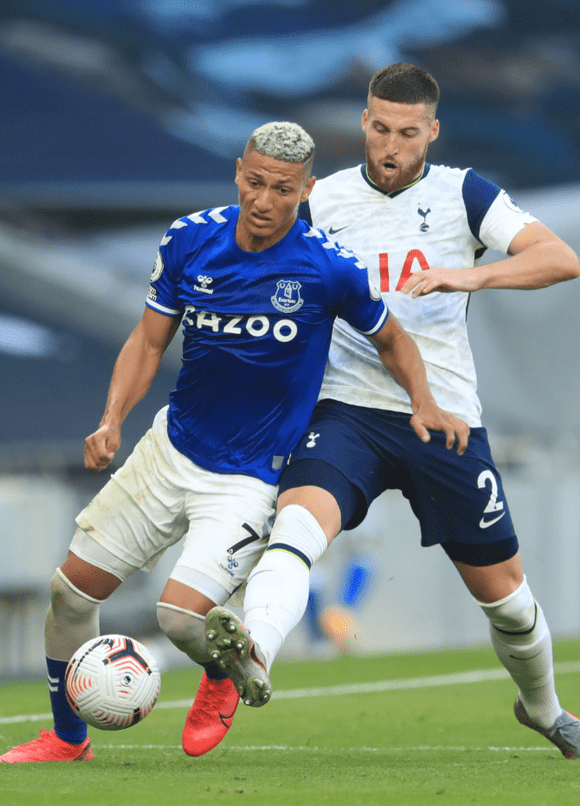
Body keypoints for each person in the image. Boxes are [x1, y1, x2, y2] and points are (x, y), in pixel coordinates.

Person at [0, 120, 469, 764]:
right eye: (253, 182)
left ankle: (222, 673)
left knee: (177, 618)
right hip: (169, 450)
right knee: (68, 595)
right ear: (238, 174)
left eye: (281, 188)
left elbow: (393, 339)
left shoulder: (328, 268)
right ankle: (67, 737)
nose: (262, 200)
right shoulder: (190, 239)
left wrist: (422, 401)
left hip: (249, 477)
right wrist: (111, 419)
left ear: (304, 191)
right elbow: (147, 341)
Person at [205, 64, 580, 761]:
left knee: (509, 602)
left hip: (444, 418)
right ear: (364, 124)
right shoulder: (325, 201)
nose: (388, 146)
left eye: (405, 132)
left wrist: (472, 272)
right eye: (377, 128)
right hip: (349, 410)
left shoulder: (464, 194)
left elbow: (561, 258)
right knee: (298, 526)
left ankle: (545, 711)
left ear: (431, 132)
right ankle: (255, 654)